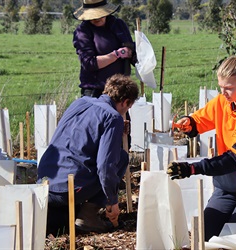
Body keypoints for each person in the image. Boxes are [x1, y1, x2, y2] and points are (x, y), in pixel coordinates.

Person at [167, 49, 236, 241]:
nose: (223, 92)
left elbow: (233, 159)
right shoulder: (222, 102)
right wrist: (188, 122)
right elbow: (199, 120)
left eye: (229, 88)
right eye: (220, 87)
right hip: (227, 184)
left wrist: (192, 168)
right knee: (202, 236)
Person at [37, 74, 139, 235]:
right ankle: (88, 217)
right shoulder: (112, 118)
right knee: (121, 157)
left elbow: (84, 137)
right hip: (67, 190)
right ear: (125, 102)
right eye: (128, 107)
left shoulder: (80, 102)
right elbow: (105, 166)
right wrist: (112, 201)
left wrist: (117, 132)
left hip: (44, 183)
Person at [72, 0, 136, 148]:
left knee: (121, 137)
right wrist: (117, 54)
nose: (97, 18)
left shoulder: (118, 26)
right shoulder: (83, 32)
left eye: (100, 14)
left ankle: (119, 169)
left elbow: (132, 51)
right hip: (95, 91)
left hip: (119, 92)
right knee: (94, 137)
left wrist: (134, 55)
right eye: (93, 15)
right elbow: (90, 63)